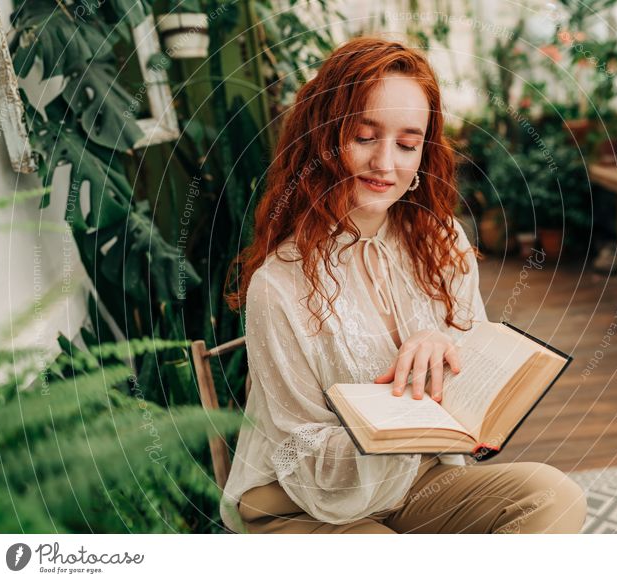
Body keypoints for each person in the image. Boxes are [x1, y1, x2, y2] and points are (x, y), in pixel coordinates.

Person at [221, 36, 586, 534]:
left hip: (418, 481)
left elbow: (469, 386)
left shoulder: (444, 243)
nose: (386, 164)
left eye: (407, 143)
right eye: (364, 136)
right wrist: (395, 410)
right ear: (323, 140)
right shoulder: (278, 285)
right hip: (300, 499)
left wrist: (446, 348)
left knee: (554, 497)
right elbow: (302, 453)